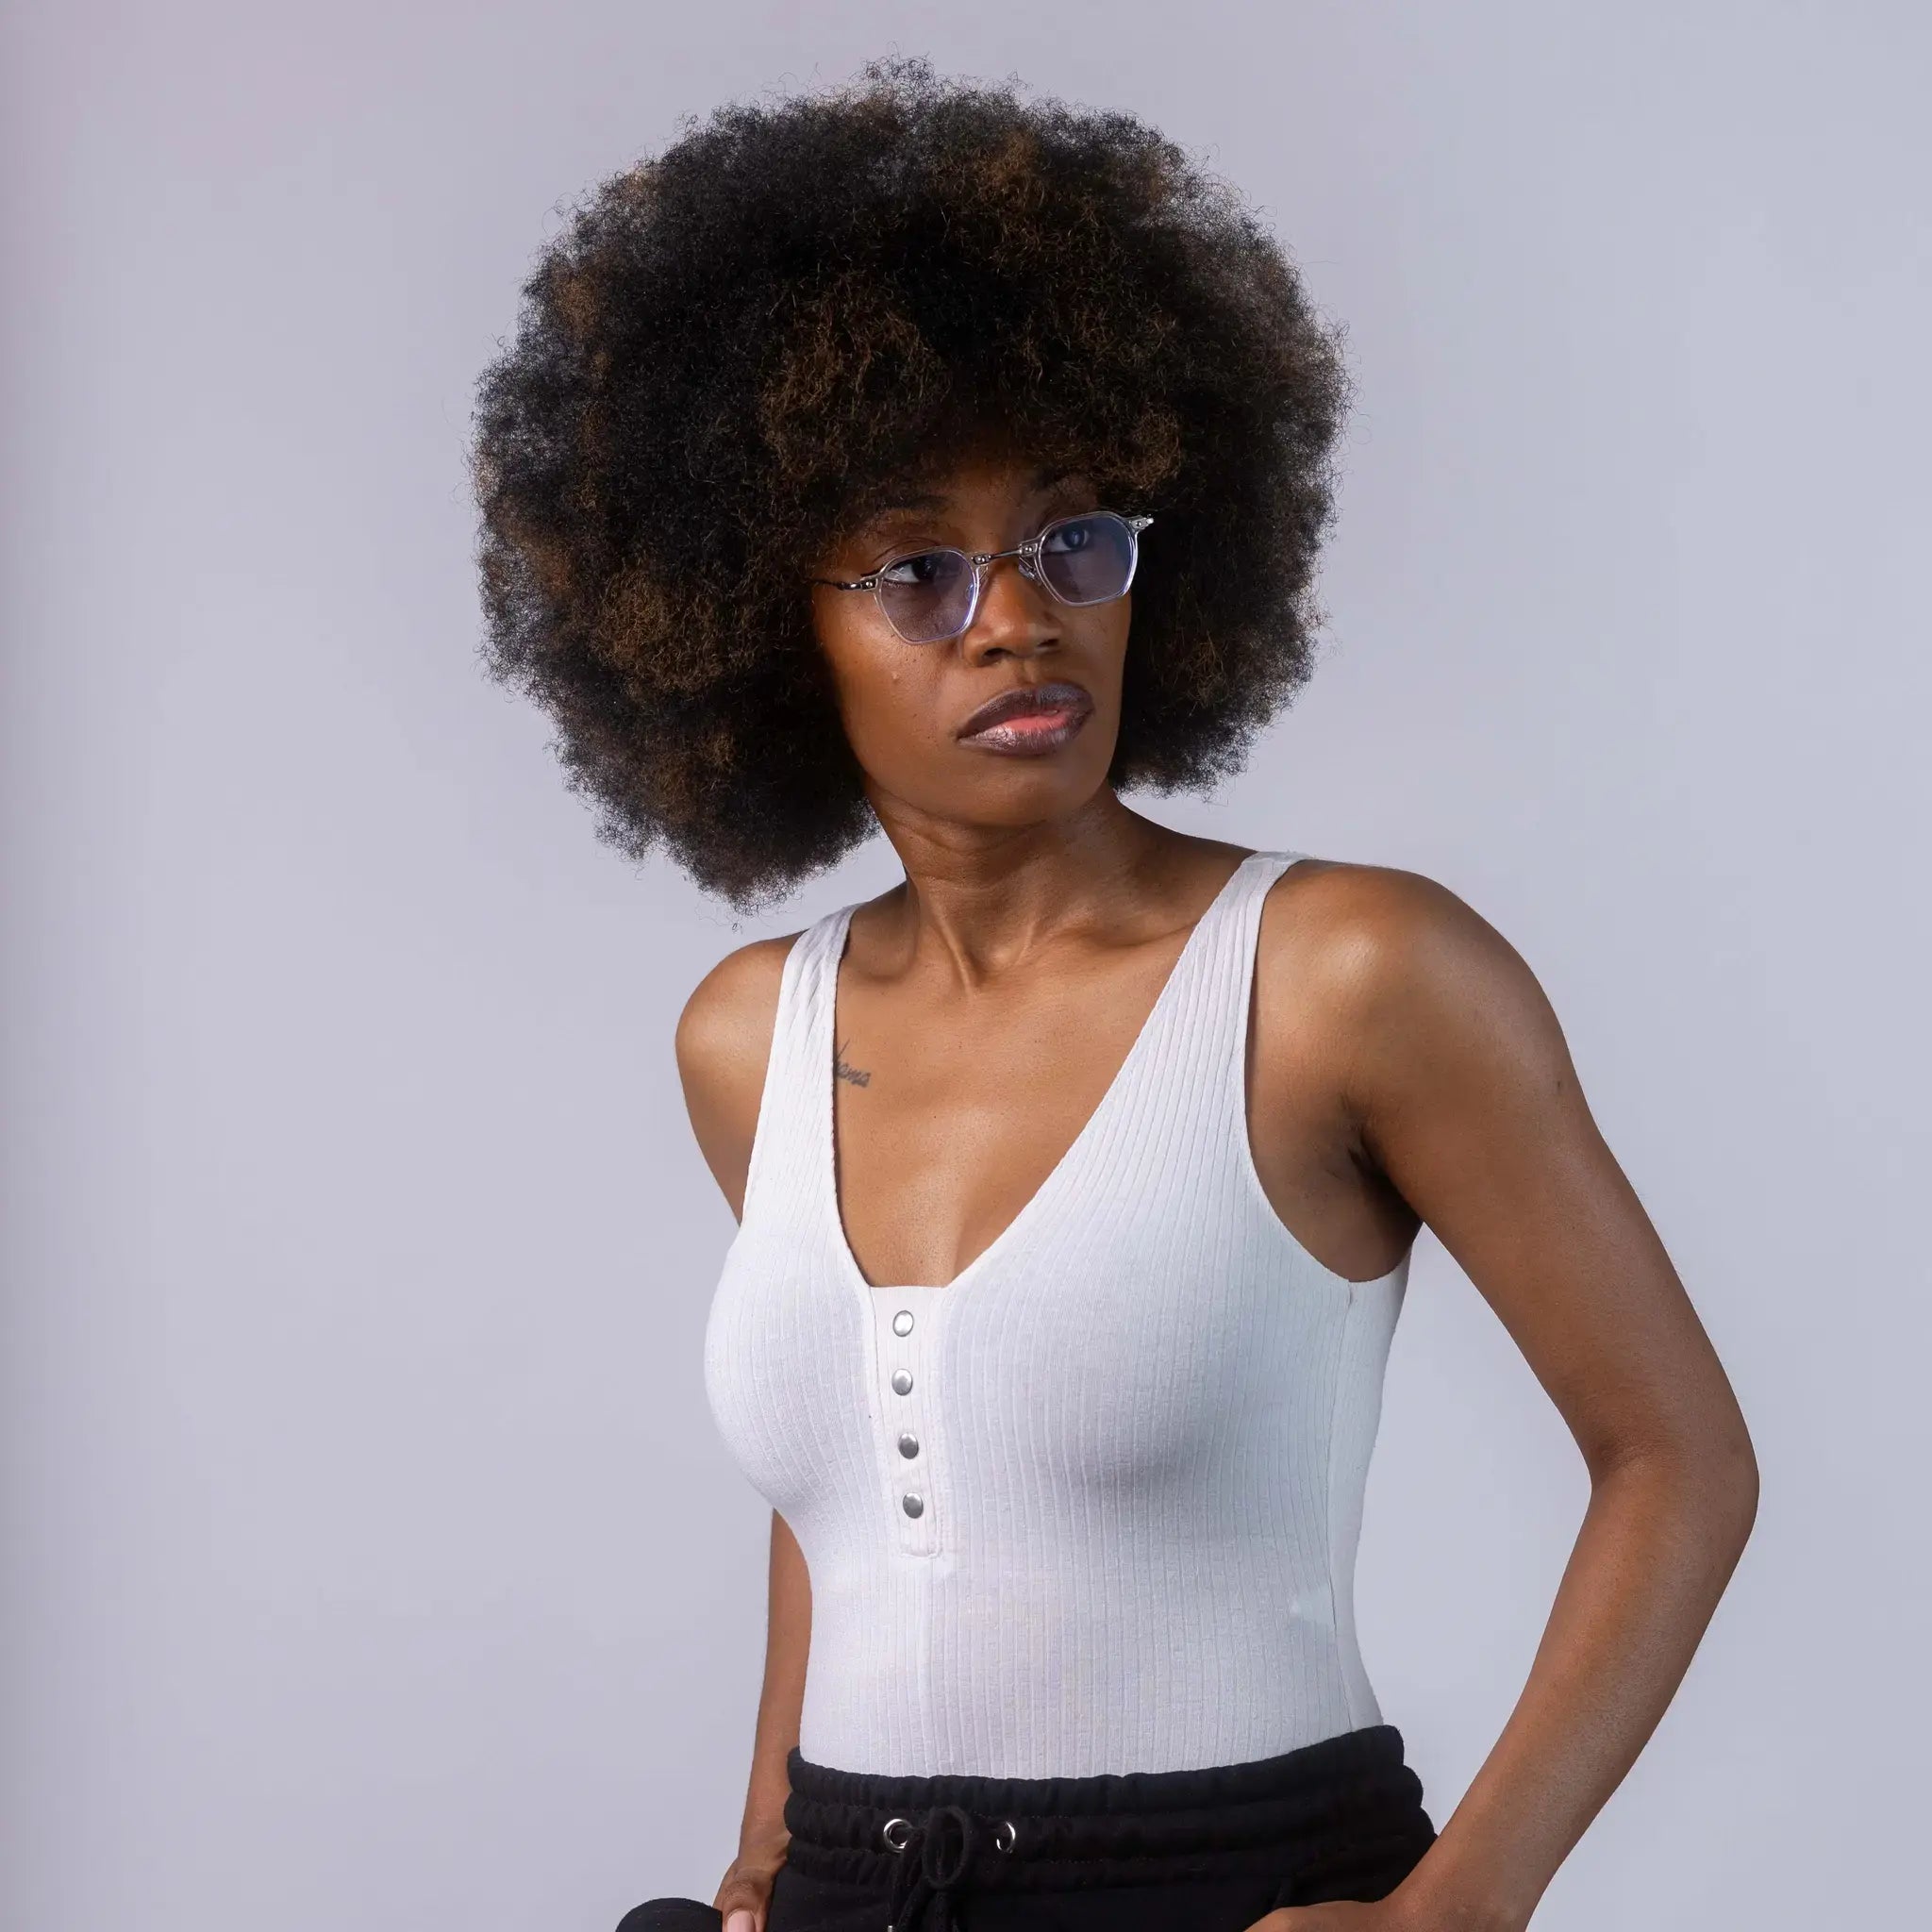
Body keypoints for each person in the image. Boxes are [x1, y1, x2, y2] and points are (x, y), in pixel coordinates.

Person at [468, 55, 1757, 1932]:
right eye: (918, 566)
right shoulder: (753, 1035)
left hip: (1237, 1885)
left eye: (1074, 537)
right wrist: (761, 1850)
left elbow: (1675, 1457)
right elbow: (843, 1497)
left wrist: (1459, 1907)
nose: (1018, 614)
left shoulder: (1348, 976)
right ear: (763, 619)